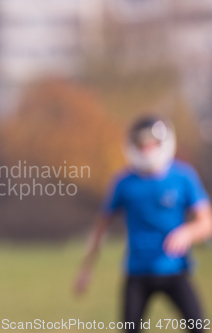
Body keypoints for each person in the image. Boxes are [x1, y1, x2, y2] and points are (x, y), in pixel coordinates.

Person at [74, 115, 212, 333]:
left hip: (174, 270)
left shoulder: (183, 177)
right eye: (142, 144)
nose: (147, 150)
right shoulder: (123, 182)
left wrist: (187, 232)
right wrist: (86, 270)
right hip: (137, 273)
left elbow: (207, 222)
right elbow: (102, 226)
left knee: (198, 328)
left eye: (152, 144)